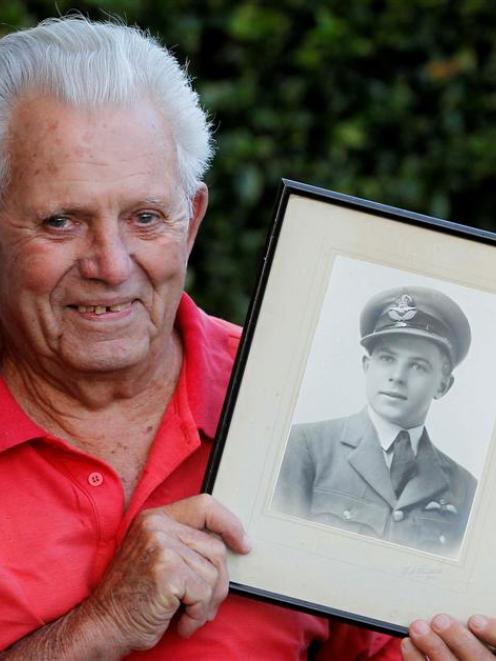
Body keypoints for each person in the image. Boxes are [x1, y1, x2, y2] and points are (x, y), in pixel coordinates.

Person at [0, 15, 401, 660]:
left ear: (192, 223)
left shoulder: (309, 406)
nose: (111, 263)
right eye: (61, 220)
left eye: (147, 217)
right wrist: (102, 624)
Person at [273, 286, 476, 556]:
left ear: (443, 385)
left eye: (417, 366)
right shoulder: (304, 446)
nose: (397, 376)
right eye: (387, 359)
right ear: (367, 367)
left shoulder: (466, 489)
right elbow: (277, 551)